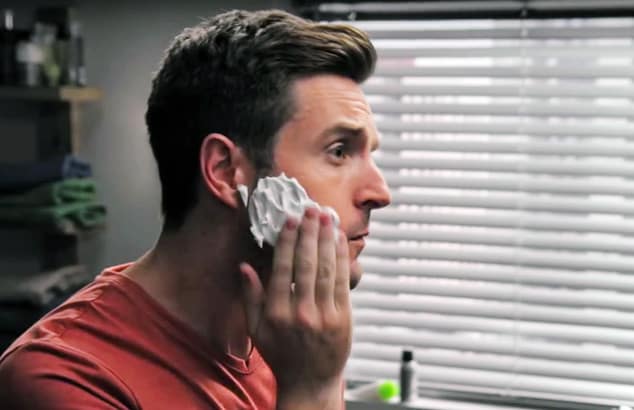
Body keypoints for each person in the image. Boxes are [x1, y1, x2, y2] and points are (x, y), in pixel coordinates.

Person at [0, 8, 391, 409]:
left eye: (370, 155)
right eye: (339, 151)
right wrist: (313, 392)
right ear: (224, 170)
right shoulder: (66, 378)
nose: (380, 192)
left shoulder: (296, 341)